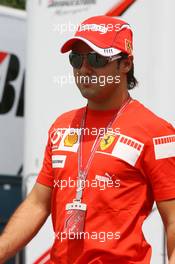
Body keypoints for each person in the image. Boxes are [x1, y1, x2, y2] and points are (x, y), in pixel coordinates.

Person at [0, 15, 175, 264]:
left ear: (125, 64)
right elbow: (38, 204)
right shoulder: (62, 126)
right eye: (76, 59)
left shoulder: (156, 131)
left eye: (96, 58)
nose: (84, 68)